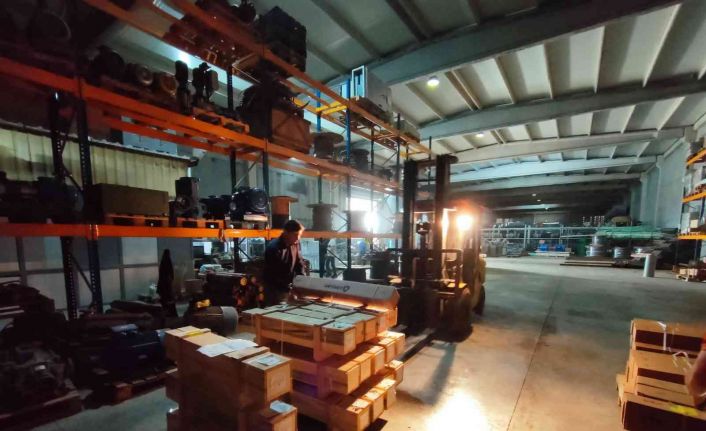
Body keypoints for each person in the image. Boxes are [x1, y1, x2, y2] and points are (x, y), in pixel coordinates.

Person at [263, 219, 305, 305]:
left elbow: (299, 264)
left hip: (288, 288)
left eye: (299, 235)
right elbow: (274, 275)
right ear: (286, 233)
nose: (298, 238)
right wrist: (289, 288)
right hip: (275, 291)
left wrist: (303, 283)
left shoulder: (295, 243)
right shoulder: (273, 249)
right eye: (296, 235)